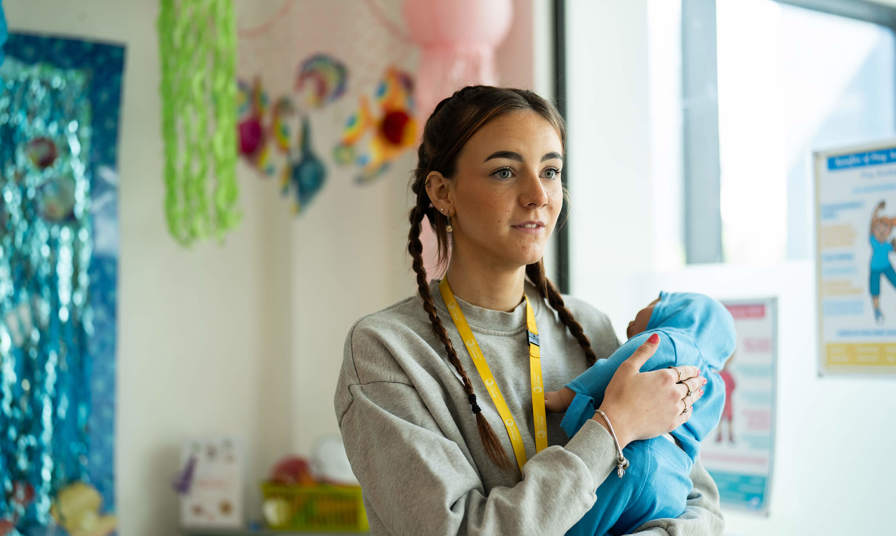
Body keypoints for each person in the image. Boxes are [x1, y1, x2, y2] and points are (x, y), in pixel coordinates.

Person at [334, 86, 724, 535]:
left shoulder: (587, 326)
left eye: (551, 170)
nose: (539, 194)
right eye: (504, 171)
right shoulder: (386, 349)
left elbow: (699, 505)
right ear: (443, 193)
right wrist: (612, 427)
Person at [544, 292, 735, 536]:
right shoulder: (715, 388)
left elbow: (612, 370)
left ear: (676, 312)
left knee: (576, 525)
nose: (641, 308)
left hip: (634, 461)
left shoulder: (668, 340)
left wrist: (565, 395)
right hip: (675, 484)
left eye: (652, 304)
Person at [869, 200, 896, 323]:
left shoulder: (887, 245)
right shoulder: (873, 241)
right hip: (875, 268)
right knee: (875, 289)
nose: (881, 231)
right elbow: (872, 221)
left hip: (886, 266)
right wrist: (877, 208)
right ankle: (876, 310)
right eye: (878, 228)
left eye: (885, 229)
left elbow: (894, 248)